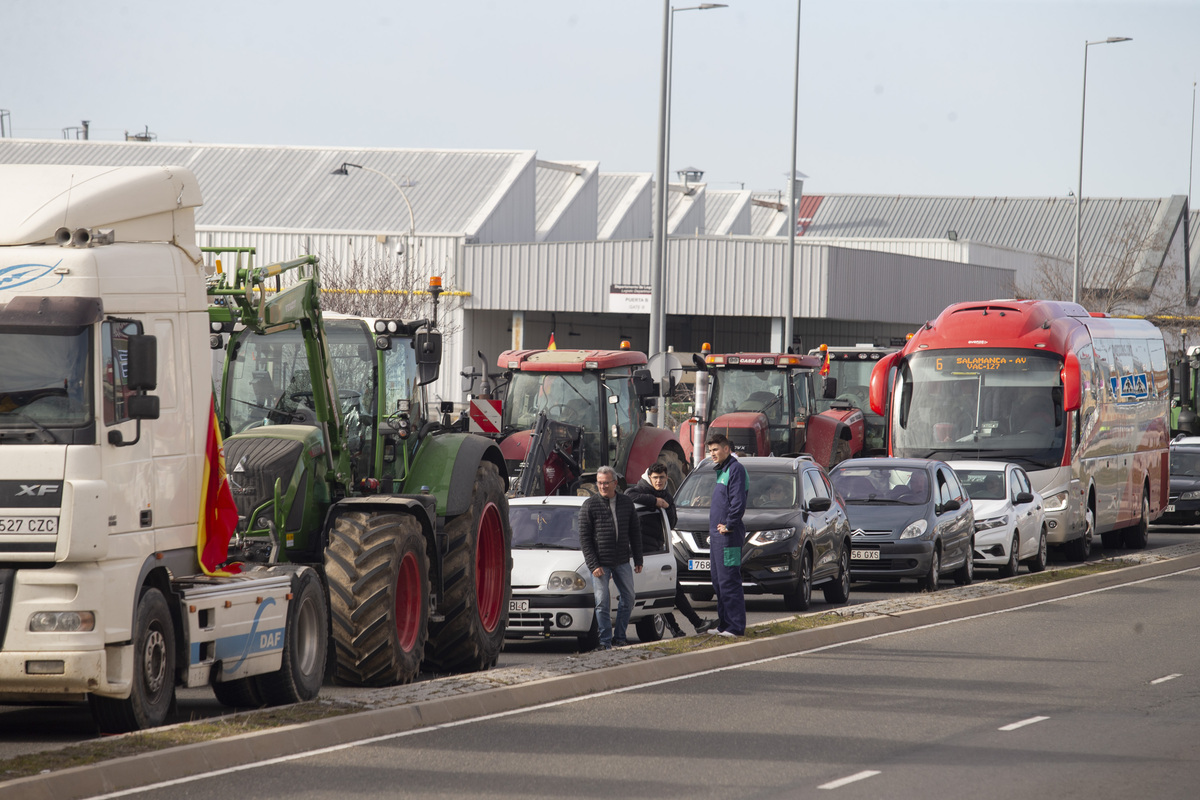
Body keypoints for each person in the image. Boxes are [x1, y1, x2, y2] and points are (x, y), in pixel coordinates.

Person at [626, 463, 715, 638]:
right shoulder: (641, 490)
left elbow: (671, 521)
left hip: (657, 550)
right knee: (670, 591)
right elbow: (629, 495)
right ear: (649, 478)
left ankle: (679, 628)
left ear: (667, 478)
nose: (659, 481)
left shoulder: (667, 494)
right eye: (655, 478)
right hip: (643, 553)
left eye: (662, 478)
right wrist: (654, 502)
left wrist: (666, 506)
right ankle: (693, 624)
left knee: (665, 592)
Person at [578, 465, 643, 649]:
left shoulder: (626, 503)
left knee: (629, 598)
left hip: (622, 560)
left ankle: (620, 637)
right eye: (599, 483)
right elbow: (584, 539)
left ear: (615, 483)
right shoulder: (589, 506)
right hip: (600, 563)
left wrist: (638, 559)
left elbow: (635, 532)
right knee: (602, 603)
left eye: (606, 483)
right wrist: (593, 565)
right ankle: (605, 641)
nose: (603, 486)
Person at [706, 433, 748, 638]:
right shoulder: (722, 470)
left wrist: (729, 524)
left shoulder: (735, 469)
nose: (712, 454)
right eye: (710, 450)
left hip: (728, 536)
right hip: (717, 537)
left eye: (715, 449)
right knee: (718, 581)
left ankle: (735, 627)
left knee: (729, 580)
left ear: (726, 449)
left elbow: (738, 501)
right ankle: (724, 625)